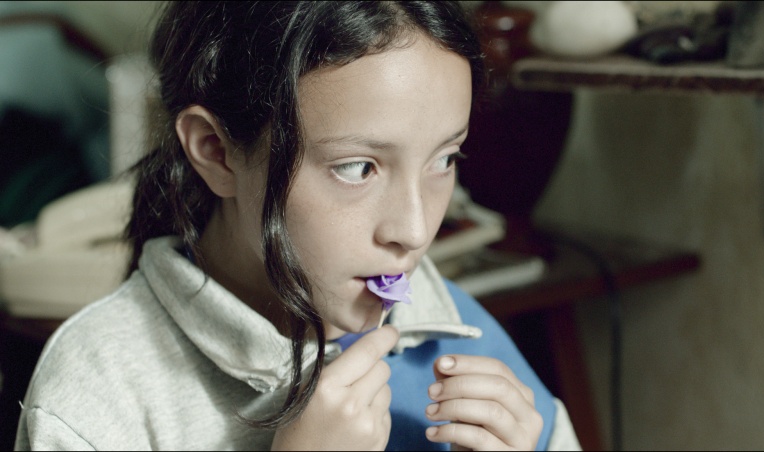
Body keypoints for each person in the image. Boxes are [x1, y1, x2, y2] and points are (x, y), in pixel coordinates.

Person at [15, 2, 581, 450]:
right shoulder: (97, 392)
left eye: (444, 159)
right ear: (216, 151)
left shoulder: (462, 332)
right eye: (357, 168)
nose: (413, 231)